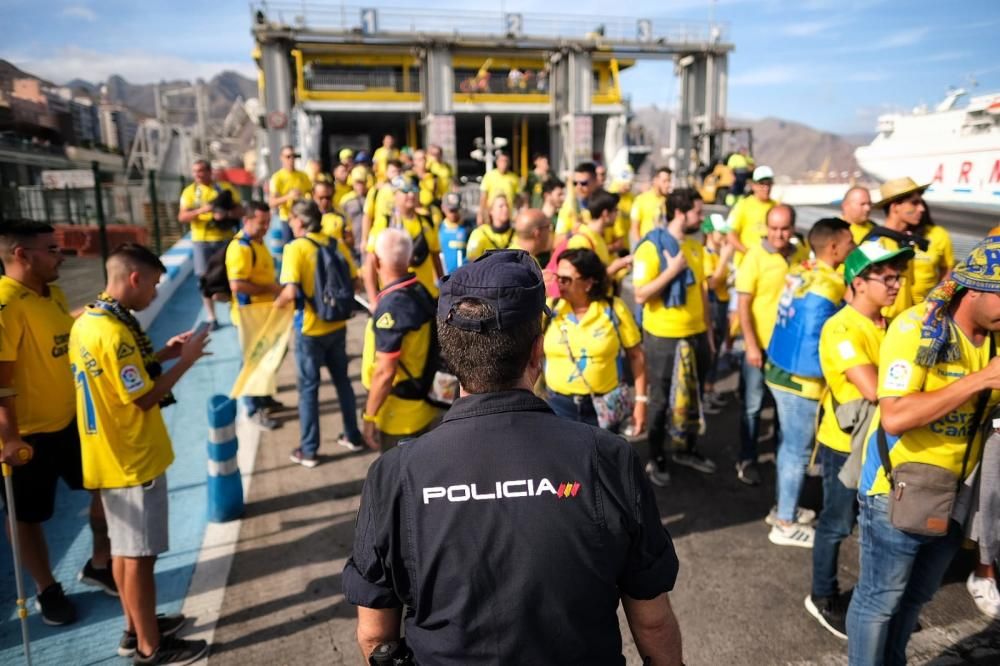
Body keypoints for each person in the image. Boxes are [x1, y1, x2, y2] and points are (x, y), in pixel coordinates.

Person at [344, 249, 683, 665]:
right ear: (537, 352)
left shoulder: (395, 473)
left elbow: (375, 635)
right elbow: (651, 619)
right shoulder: (608, 457)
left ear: (450, 353)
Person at [847, 237, 1000, 664]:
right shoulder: (917, 328)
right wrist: (980, 380)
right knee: (880, 601)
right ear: (978, 290)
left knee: (916, 597)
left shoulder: (993, 338)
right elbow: (894, 415)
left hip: (958, 495)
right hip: (898, 492)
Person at [69, 243, 210, 664]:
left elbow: (117, 379)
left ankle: (136, 627)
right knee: (141, 558)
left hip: (106, 455)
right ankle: (151, 647)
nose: (154, 293)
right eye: (153, 284)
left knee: (123, 554)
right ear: (135, 278)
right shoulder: (114, 332)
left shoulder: (89, 322)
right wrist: (184, 362)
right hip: (132, 459)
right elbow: (142, 399)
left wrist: (164, 353)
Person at [0, 221, 115, 627]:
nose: (60, 255)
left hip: (72, 421)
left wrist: (95, 310)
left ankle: (100, 563)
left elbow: (60, 334)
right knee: (27, 517)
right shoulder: (5, 304)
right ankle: (46, 588)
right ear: (22, 255)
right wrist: (9, 436)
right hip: (27, 434)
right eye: (52, 249)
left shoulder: (52, 293)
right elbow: (1, 379)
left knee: (106, 486)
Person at [805, 241, 913, 639]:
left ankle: (870, 599)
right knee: (836, 524)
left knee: (869, 523)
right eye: (886, 277)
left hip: (883, 442)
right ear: (858, 281)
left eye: (898, 276)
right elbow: (871, 387)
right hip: (844, 445)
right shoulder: (842, 327)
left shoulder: (890, 322)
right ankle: (822, 595)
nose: (895, 284)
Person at [764, 218, 855, 547]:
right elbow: (814, 340)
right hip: (800, 381)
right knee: (797, 453)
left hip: (777, 370)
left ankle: (782, 508)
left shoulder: (801, 269)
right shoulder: (829, 284)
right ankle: (785, 523)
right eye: (850, 242)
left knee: (788, 447)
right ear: (833, 247)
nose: (853, 247)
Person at [633, 188, 716, 486]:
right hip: (664, 338)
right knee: (661, 400)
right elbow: (641, 294)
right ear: (680, 213)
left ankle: (686, 449)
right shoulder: (651, 248)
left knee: (693, 398)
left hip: (695, 336)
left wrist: (708, 334)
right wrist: (673, 271)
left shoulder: (695, 247)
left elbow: (703, 292)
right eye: (697, 211)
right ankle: (656, 457)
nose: (701, 217)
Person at [274, 200, 364, 465]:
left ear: (300, 222)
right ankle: (352, 435)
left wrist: (273, 308)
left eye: (291, 219)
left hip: (310, 329)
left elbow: (290, 292)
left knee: (308, 389)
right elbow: (355, 281)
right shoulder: (334, 243)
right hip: (337, 324)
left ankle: (309, 448)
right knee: (343, 382)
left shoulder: (295, 248)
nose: (290, 223)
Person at [734, 205, 809, 486]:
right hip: (761, 346)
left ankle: (782, 456)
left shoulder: (800, 254)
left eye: (785, 228)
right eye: (774, 228)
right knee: (753, 407)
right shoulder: (754, 257)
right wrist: (751, 346)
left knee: (783, 406)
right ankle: (747, 458)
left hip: (788, 349)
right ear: (766, 228)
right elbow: (743, 305)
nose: (779, 235)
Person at [544, 248, 647, 434]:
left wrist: (641, 402)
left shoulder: (614, 309)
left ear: (589, 283)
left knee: (602, 460)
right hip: (558, 406)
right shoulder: (550, 307)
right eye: (557, 277)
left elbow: (636, 356)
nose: (559, 284)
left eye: (566, 279)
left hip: (603, 407)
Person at [359, 228, 441, 452]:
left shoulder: (392, 306)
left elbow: (385, 372)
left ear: (376, 261)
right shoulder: (419, 290)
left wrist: (369, 416)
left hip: (399, 417)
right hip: (425, 405)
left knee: (400, 484)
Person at [226, 202, 284, 430]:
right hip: (249, 316)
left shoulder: (257, 243)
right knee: (252, 363)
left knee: (265, 359)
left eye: (268, 222)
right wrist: (271, 289)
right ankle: (253, 410)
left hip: (263, 314)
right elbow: (237, 285)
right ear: (246, 221)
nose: (266, 227)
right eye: (262, 223)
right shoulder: (241, 248)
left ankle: (264, 399)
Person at [179, 159, 242, 328]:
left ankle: (234, 311)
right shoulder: (189, 192)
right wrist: (202, 211)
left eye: (201, 171)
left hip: (224, 239)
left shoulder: (224, 188)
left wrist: (225, 214)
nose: (198, 175)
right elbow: (182, 217)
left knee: (231, 276)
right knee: (203, 279)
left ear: (209, 171)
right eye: (195, 171)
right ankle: (212, 317)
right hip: (201, 241)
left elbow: (240, 210)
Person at [364, 176, 443, 305]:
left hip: (427, 296)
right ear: (395, 195)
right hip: (396, 297)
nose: (411, 195)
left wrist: (442, 288)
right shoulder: (385, 222)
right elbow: (371, 262)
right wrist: (373, 300)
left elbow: (435, 258)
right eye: (405, 191)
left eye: (414, 190)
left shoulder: (426, 222)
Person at [866, 177, 928, 318]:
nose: (922, 208)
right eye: (914, 203)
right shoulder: (876, 243)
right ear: (895, 207)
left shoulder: (906, 241)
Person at [701, 214, 735, 412]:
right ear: (709, 233)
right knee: (711, 349)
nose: (724, 236)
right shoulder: (708, 255)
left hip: (722, 303)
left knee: (717, 346)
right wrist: (724, 259)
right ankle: (705, 394)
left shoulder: (715, 253)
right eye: (720, 232)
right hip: (713, 306)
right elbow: (711, 283)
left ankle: (711, 388)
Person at [567, 190, 633, 279]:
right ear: (605, 214)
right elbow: (582, 281)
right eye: (615, 210)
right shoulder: (582, 240)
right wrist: (614, 267)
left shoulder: (598, 237)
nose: (617, 214)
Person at [726, 166, 777, 266]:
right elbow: (731, 234)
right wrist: (748, 252)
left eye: (769, 184)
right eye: (762, 184)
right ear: (753, 185)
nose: (766, 188)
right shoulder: (742, 206)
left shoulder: (776, 207)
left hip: (769, 264)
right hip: (746, 264)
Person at [911, 200, 955, 304]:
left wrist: (940, 300)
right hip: (893, 306)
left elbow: (948, 271)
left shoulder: (939, 234)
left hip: (924, 305)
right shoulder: (894, 234)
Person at [267, 146, 312, 245]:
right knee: (290, 248)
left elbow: (311, 193)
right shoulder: (277, 177)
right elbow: (272, 202)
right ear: (281, 158)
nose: (291, 159)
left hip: (303, 218)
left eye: (293, 156)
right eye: (288, 156)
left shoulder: (303, 176)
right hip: (287, 219)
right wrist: (289, 197)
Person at [554, 162, 598, 243]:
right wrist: (573, 232)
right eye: (575, 183)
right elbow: (556, 241)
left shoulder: (605, 203)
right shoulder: (568, 208)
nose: (579, 187)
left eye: (584, 183)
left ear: (595, 181)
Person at [630, 166, 672, 248]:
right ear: (655, 180)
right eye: (665, 181)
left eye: (669, 181)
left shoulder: (669, 201)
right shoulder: (641, 200)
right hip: (647, 247)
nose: (668, 185)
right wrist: (640, 247)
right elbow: (634, 228)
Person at [466, 193, 514, 261]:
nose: (505, 209)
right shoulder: (479, 233)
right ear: (491, 211)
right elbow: (472, 260)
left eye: (507, 206)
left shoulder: (517, 234)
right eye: (501, 206)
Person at [478, 152, 520, 226]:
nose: (504, 163)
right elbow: (483, 197)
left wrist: (517, 212)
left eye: (506, 161)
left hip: (508, 214)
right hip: (492, 214)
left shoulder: (514, 178)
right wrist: (481, 214)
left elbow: (518, 198)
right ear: (497, 162)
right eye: (501, 161)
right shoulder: (489, 176)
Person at [437, 192, 471, 275]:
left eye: (456, 210)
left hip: (464, 277)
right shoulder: (438, 228)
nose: (453, 213)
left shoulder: (468, 227)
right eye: (451, 210)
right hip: (445, 277)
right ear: (443, 208)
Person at [339, 166, 369, 256]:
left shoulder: (371, 197)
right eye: (357, 183)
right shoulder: (346, 200)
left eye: (362, 182)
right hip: (353, 243)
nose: (360, 186)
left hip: (368, 244)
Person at [313, 180, 353, 249]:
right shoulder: (308, 217)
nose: (325, 201)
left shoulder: (341, 216)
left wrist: (343, 242)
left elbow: (350, 240)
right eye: (321, 198)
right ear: (313, 195)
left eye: (328, 198)